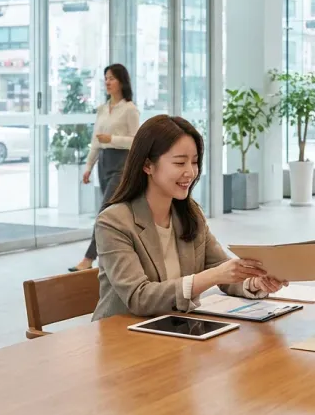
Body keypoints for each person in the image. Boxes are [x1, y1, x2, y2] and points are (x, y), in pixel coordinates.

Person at [91, 115, 287, 319]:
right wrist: (212, 276)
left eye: (194, 162)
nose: (191, 172)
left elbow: (221, 268)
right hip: (122, 332)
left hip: (175, 326)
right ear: (148, 165)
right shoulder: (113, 222)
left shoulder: (189, 214)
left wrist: (253, 282)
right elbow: (139, 298)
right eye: (179, 163)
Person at [69, 64, 141, 272]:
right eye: (106, 78)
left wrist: (112, 139)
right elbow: (96, 141)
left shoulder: (130, 109)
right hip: (104, 163)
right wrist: (88, 167)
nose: (107, 82)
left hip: (122, 164)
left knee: (104, 213)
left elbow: (136, 141)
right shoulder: (102, 109)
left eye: (112, 78)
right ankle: (123, 254)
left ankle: (88, 258)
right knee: (114, 214)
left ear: (122, 81)